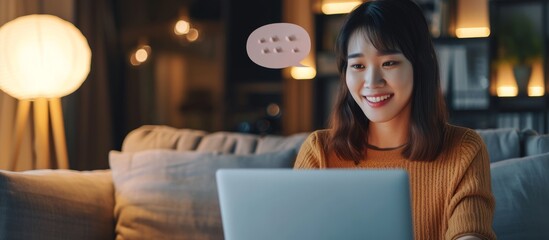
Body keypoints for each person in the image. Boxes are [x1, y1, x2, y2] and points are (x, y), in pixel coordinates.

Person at [293, 0, 496, 239]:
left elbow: (470, 234)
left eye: (389, 63)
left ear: (419, 67)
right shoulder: (319, 152)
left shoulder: (464, 149)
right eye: (357, 65)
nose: (371, 81)